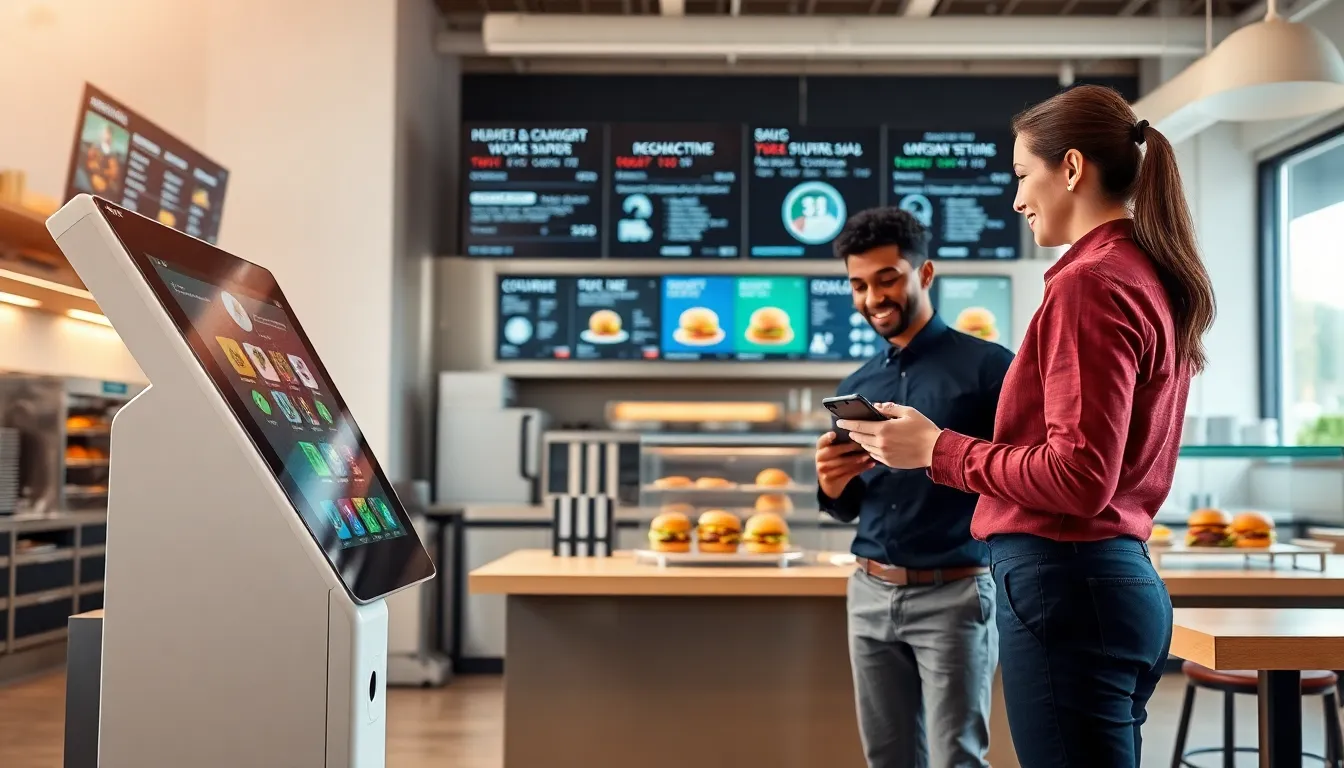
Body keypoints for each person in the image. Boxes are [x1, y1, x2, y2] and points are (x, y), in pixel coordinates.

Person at [837, 84, 1216, 768]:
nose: (1016, 200)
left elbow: (1078, 477)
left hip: (1065, 584)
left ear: (1070, 168)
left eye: (1021, 175)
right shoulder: (1144, 272)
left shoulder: (1087, 282)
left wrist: (937, 449)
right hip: (1110, 582)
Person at [816, 207, 1014, 768]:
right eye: (858, 285)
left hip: (954, 592)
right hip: (869, 592)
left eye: (887, 278)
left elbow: (1022, 469)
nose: (872, 297)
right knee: (888, 757)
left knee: (958, 758)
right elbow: (852, 506)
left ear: (924, 274)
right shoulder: (858, 385)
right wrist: (832, 486)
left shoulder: (990, 369)